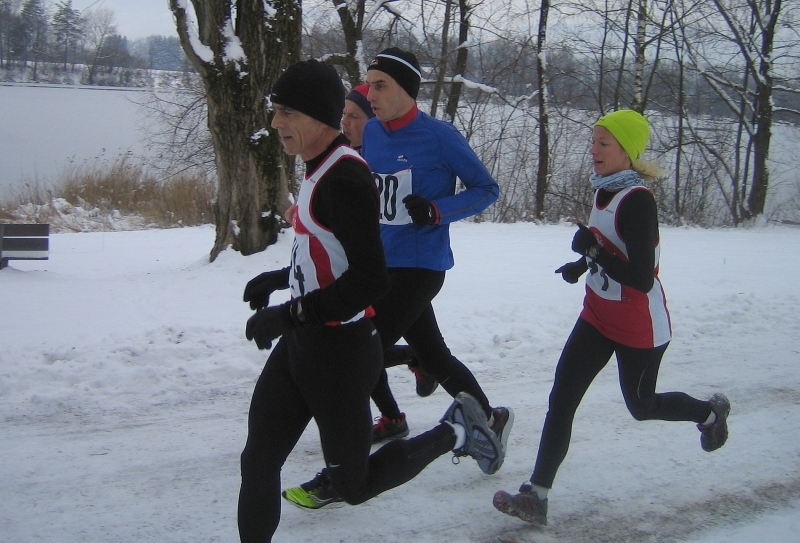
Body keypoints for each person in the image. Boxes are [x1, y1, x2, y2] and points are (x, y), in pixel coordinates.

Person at [237, 59, 506, 542]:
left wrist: (290, 312)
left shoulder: (348, 173)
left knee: (353, 484)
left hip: (359, 326)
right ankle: (430, 400)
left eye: (286, 113)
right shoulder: (329, 160)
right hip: (312, 334)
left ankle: (456, 431)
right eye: (275, 111)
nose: (276, 123)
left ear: (319, 117)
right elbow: (332, 240)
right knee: (258, 458)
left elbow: (366, 279)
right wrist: (280, 279)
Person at [492, 109, 731, 526]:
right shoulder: (604, 189)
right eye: (594, 141)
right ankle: (537, 496)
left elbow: (639, 276)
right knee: (562, 397)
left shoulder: (637, 200)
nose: (594, 150)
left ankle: (710, 415)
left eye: (604, 143)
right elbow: (605, 244)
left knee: (642, 406)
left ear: (627, 151)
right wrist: (582, 265)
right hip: (597, 316)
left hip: (639, 324)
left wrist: (592, 252)